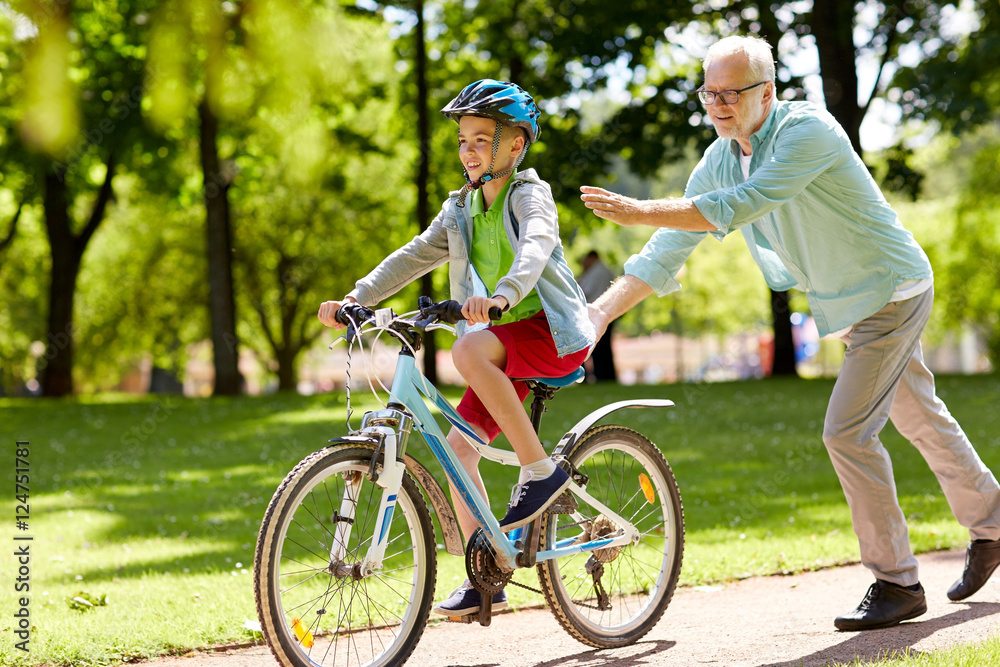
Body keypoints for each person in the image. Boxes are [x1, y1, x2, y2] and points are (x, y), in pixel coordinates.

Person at [580, 35, 1000, 632]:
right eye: (709, 92)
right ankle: (994, 523)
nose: (718, 103)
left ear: (768, 92)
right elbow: (668, 249)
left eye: (732, 92)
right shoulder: (722, 155)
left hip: (891, 290)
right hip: (853, 306)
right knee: (920, 418)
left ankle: (897, 582)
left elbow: (747, 204)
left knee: (848, 433)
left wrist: (640, 207)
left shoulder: (810, 132)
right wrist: (600, 314)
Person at [318, 79, 594, 618]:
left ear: (515, 145)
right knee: (457, 449)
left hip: (551, 336)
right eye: (463, 139)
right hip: (500, 346)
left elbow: (535, 248)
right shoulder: (461, 209)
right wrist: (357, 296)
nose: (469, 149)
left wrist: (499, 296)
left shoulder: (529, 194)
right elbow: (416, 255)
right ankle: (488, 571)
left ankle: (542, 472)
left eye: (482, 138)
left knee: (466, 354)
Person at [576, 250, 617, 382]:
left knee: (599, 348)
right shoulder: (605, 270)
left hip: (596, 313)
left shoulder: (596, 272)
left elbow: (584, 292)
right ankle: (606, 376)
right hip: (609, 312)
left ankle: (601, 376)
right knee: (604, 348)